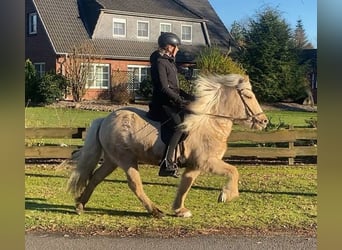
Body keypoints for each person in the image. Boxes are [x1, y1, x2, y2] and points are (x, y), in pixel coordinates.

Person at [147, 32, 193, 178]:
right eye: (176, 47)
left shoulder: (169, 62)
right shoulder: (160, 62)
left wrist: (190, 97)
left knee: (187, 127)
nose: (177, 50)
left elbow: (175, 88)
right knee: (178, 128)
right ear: (169, 47)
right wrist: (180, 101)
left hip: (172, 101)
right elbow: (164, 88)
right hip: (162, 103)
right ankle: (165, 164)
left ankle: (179, 158)